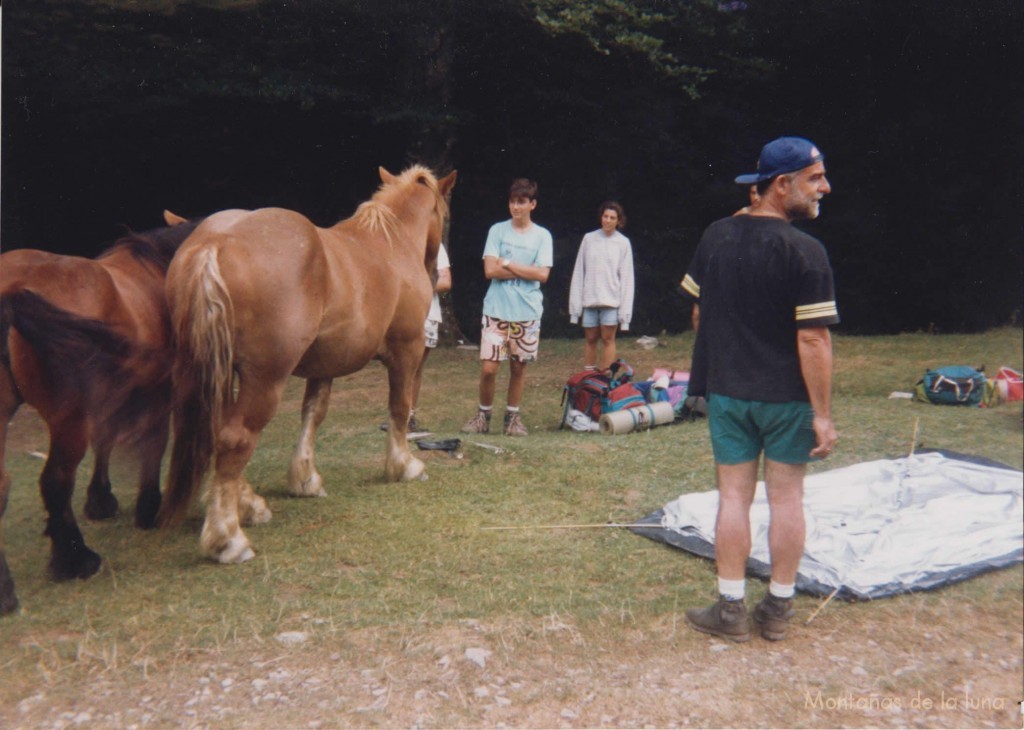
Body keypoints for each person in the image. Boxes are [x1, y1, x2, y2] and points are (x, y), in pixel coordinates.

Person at [679, 136, 839, 642]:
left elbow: (699, 310)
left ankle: (730, 611)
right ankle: (776, 611)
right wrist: (823, 414)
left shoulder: (715, 235)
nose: (825, 188)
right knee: (787, 499)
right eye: (815, 178)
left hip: (729, 394)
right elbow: (812, 338)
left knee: (733, 497)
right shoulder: (806, 252)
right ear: (781, 184)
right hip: (788, 400)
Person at [462, 178, 553, 437]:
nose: (516, 207)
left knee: (518, 367)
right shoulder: (497, 231)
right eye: (513, 201)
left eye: (522, 202)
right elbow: (490, 270)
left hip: (527, 312)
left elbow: (543, 275)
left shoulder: (542, 236)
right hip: (496, 309)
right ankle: (483, 416)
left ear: (532, 204)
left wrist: (509, 263)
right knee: (489, 368)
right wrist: (526, 270)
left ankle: (512, 419)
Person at [568, 201, 635, 371]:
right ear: (601, 217)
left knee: (607, 339)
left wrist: (624, 314)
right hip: (590, 299)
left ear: (618, 221)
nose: (608, 220)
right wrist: (575, 308)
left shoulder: (623, 243)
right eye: (605, 216)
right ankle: (589, 376)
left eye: (612, 218)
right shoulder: (589, 239)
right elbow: (579, 272)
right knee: (590, 338)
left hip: (611, 301)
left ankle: (604, 378)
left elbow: (627, 278)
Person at [408, 243, 452, 432]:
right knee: (400, 367)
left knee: (414, 368)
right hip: (397, 315)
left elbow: (445, 282)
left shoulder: (434, 246)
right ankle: (397, 415)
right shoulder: (391, 240)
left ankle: (408, 416)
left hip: (426, 313)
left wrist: (413, 286)